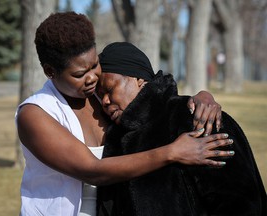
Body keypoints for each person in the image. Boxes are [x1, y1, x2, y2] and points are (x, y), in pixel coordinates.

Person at [15, 12, 233, 216]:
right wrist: (173, 152)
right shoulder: (36, 114)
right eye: (80, 73)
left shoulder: (100, 95)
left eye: (94, 65)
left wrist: (202, 98)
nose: (92, 78)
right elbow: (93, 171)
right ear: (50, 71)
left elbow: (152, 98)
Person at [96, 42, 267, 216]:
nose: (105, 101)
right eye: (100, 95)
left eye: (109, 89)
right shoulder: (115, 137)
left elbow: (240, 204)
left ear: (138, 79)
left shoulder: (198, 118)